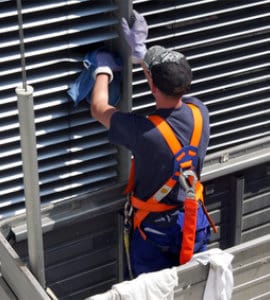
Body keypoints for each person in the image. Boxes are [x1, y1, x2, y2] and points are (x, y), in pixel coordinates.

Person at [90, 11, 211, 277]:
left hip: (155, 230)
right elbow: (165, 87)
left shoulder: (142, 131)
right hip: (192, 220)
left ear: (153, 87)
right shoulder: (200, 112)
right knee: (192, 285)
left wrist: (102, 69)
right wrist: (142, 58)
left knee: (151, 291)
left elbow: (99, 108)